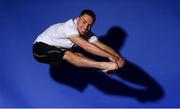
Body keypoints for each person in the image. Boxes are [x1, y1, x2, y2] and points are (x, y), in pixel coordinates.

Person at [33, 9, 125, 73]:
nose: (85, 27)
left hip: (55, 49)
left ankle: (104, 69)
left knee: (79, 56)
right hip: (40, 48)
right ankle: (104, 66)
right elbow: (87, 47)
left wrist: (118, 58)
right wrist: (110, 57)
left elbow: (102, 46)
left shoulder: (86, 32)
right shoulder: (69, 27)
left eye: (89, 25)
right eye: (84, 22)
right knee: (69, 54)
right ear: (78, 19)